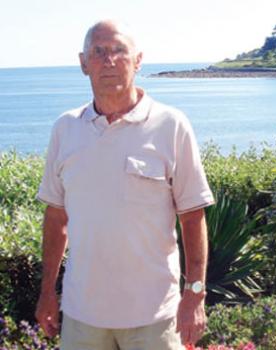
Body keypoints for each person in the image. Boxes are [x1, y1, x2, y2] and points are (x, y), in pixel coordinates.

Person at [35, 19, 214, 349]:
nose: (109, 61)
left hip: (155, 317)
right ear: (83, 63)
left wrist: (195, 295)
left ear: (138, 60)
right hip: (81, 316)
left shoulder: (171, 125)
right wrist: (47, 293)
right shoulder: (65, 129)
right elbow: (56, 218)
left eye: (119, 51)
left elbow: (192, 216)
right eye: (99, 52)